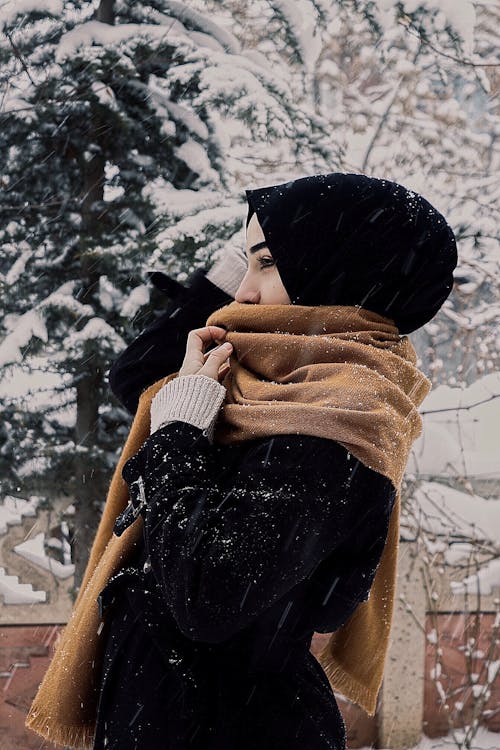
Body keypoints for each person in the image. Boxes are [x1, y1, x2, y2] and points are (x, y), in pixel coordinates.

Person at [92, 172, 457, 750]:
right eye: (246, 262)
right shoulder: (266, 386)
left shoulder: (334, 421)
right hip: (185, 717)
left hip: (229, 729)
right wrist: (250, 254)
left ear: (334, 268)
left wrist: (182, 430)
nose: (241, 292)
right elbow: (140, 375)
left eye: (265, 263)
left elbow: (209, 596)